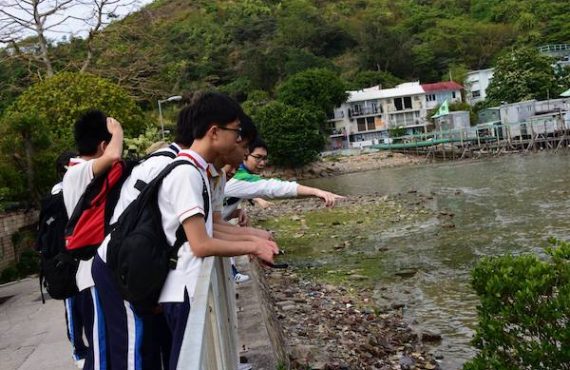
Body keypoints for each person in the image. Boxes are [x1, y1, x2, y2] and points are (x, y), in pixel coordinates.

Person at [150, 92, 278, 369]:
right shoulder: (185, 173)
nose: (239, 140)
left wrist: (254, 238)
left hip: (186, 287)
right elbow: (201, 244)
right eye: (237, 132)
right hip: (181, 288)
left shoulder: (198, 170)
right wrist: (253, 246)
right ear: (214, 132)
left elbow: (211, 227)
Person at [62, 110, 124, 370]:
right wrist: (117, 132)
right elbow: (113, 156)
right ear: (102, 144)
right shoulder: (78, 172)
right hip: (91, 278)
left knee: (108, 348)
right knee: (100, 352)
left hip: (99, 276)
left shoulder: (83, 172)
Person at [50, 151, 89, 369]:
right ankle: (78, 350)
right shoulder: (60, 190)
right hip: (66, 259)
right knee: (73, 306)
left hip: (81, 254)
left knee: (85, 304)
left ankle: (88, 348)